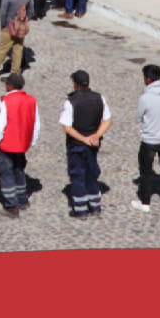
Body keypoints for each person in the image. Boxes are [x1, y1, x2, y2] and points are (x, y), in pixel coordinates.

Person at [59, 70, 113, 218]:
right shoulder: (99, 98)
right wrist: (96, 136)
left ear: (75, 84)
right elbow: (107, 120)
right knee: (91, 173)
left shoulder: (71, 102)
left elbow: (67, 127)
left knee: (78, 175)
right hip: (94, 145)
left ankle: (80, 208)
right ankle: (95, 205)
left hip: (77, 145)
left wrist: (84, 139)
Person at [0, 72, 41, 217]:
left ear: (10, 86)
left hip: (6, 145)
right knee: (19, 171)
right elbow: (36, 123)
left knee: (6, 174)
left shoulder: (4, 101)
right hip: (22, 145)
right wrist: (31, 141)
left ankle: (11, 206)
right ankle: (22, 200)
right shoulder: (31, 100)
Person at [132, 64, 160, 211]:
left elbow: (138, 117)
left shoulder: (145, 98)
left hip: (149, 140)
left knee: (145, 171)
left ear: (148, 79)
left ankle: (145, 202)